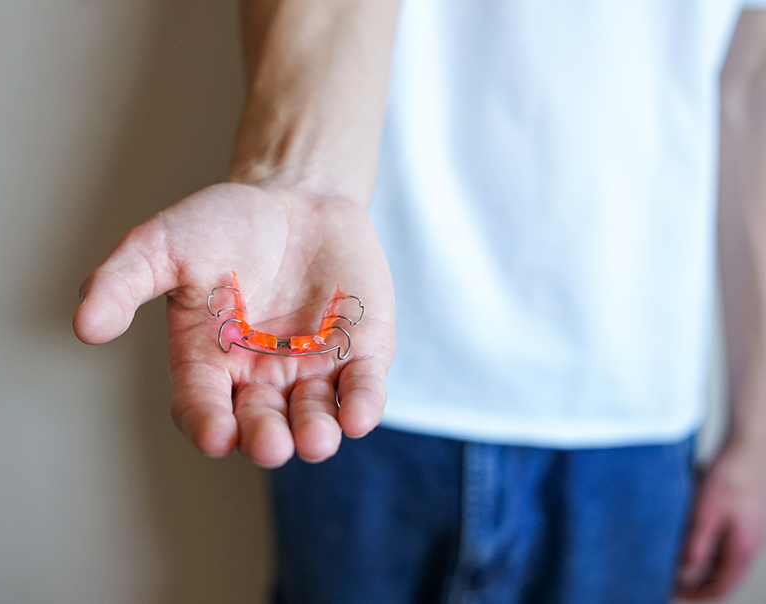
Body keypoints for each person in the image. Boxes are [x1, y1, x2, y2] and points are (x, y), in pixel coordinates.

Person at [73, 1, 766, 602]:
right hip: (355, 390)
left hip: (630, 415)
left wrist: (757, 435)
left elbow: (742, 99)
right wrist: (298, 185)